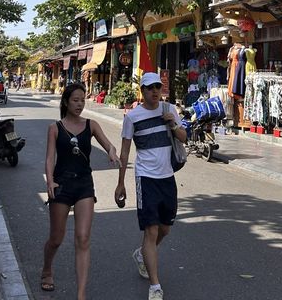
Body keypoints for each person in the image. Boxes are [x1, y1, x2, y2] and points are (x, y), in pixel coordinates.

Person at [42, 82, 119, 298]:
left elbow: (108, 145)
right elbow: (50, 158)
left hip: (85, 184)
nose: (79, 104)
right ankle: (47, 268)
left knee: (83, 238)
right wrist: (49, 181)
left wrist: (112, 153)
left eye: (82, 100)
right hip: (62, 184)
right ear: (66, 102)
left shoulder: (91, 125)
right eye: (75, 100)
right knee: (56, 238)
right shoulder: (55, 128)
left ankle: (81, 293)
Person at [114, 72, 186, 300]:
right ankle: (155, 286)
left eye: (158, 87)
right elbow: (125, 152)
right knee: (151, 230)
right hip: (145, 177)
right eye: (150, 88)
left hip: (167, 177)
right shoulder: (132, 117)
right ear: (142, 91)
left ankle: (142, 253)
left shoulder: (169, 110)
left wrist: (172, 124)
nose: (155, 91)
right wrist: (120, 183)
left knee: (165, 229)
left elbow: (184, 137)